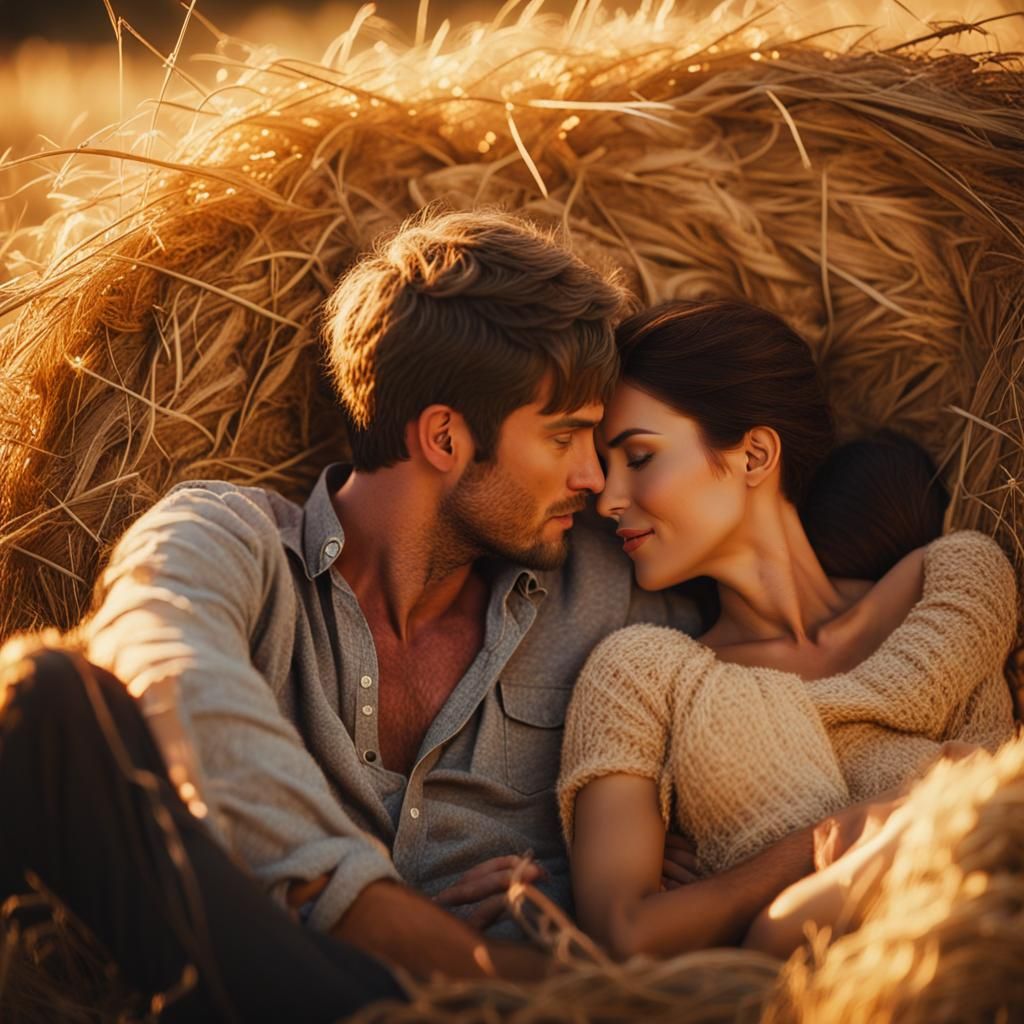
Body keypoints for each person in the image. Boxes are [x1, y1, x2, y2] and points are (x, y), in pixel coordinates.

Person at [558, 298, 1018, 961]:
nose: (607, 498)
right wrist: (844, 829)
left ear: (754, 455)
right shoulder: (642, 676)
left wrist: (726, 891)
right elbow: (623, 937)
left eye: (638, 456)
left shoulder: (950, 592)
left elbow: (1000, 825)